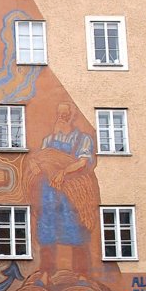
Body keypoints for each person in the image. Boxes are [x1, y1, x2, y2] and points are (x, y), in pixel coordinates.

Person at [27, 102, 97, 273]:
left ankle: (82, 275)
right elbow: (41, 158)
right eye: (59, 114)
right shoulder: (48, 140)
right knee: (46, 229)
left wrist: (64, 171)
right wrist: (34, 164)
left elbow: (82, 162)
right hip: (48, 193)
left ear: (72, 117)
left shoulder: (82, 139)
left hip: (73, 191)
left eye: (65, 115)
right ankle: (46, 274)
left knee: (77, 228)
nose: (61, 118)